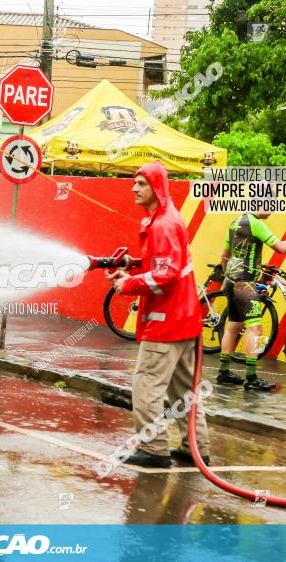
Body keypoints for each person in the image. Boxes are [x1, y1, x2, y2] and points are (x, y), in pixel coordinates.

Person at [105, 161, 211, 468]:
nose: (134, 188)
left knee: (147, 384)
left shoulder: (163, 224)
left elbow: (166, 274)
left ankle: (154, 449)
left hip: (165, 322)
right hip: (184, 320)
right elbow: (163, 263)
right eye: (134, 183)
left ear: (157, 188)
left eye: (141, 184)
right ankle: (197, 448)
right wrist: (133, 265)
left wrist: (128, 284)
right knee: (184, 390)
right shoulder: (165, 219)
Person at [216, 214, 286, 391]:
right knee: (255, 328)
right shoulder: (256, 224)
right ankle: (251, 377)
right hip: (246, 284)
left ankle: (224, 371)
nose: (272, 210)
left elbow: (224, 255)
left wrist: (228, 275)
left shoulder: (235, 222)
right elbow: (281, 248)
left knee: (233, 325)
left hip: (230, 282)